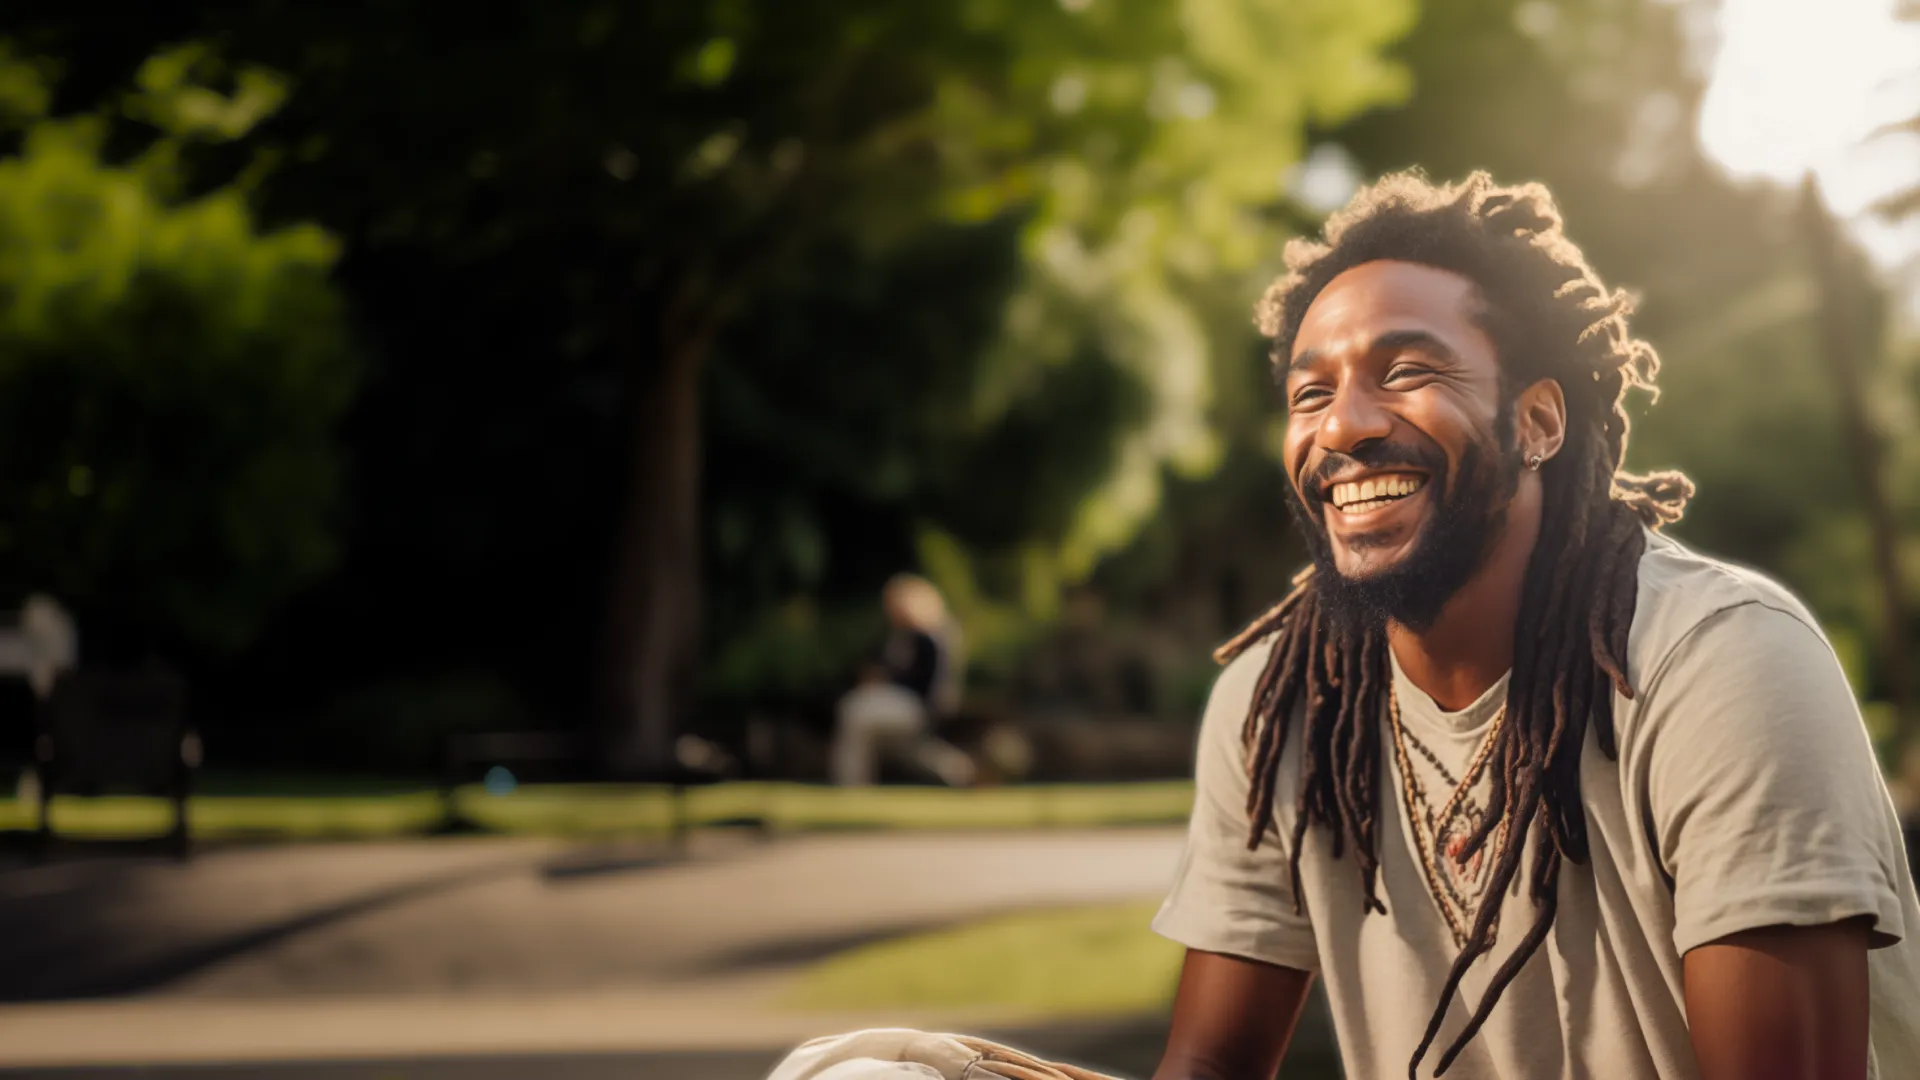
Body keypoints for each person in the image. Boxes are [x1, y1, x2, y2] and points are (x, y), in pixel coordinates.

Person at [766, 172, 1920, 1080]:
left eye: (1407, 371)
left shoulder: (1720, 665)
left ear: (1537, 420)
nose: (1346, 426)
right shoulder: (1281, 700)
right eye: (1310, 393)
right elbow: (1211, 1065)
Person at [830, 573, 976, 788]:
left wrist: (886, 682)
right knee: (907, 751)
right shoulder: (898, 637)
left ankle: (851, 787)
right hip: (898, 708)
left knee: (855, 712)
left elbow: (928, 683)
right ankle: (960, 770)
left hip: (916, 707)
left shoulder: (931, 636)